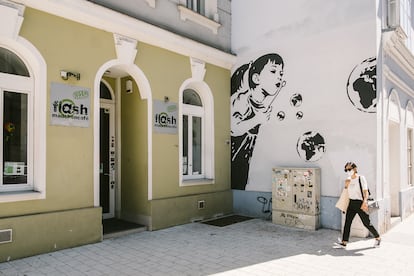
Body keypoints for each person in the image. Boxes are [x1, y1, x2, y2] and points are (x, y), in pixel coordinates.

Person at [230, 53, 286, 190]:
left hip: (244, 161)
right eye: (273, 71)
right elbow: (232, 127)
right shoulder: (243, 99)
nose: (279, 76)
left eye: (281, 73)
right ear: (256, 78)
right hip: (233, 158)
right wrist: (257, 119)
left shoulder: (262, 107)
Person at [335, 162, 381, 248]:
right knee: (347, 223)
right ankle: (344, 242)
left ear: (354, 169)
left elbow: (365, 191)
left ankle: (378, 238)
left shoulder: (361, 178)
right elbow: (346, 193)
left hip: (360, 203)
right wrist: (346, 186)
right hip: (351, 203)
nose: (348, 171)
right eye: (346, 170)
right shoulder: (348, 180)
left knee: (366, 223)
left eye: (349, 169)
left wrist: (364, 202)